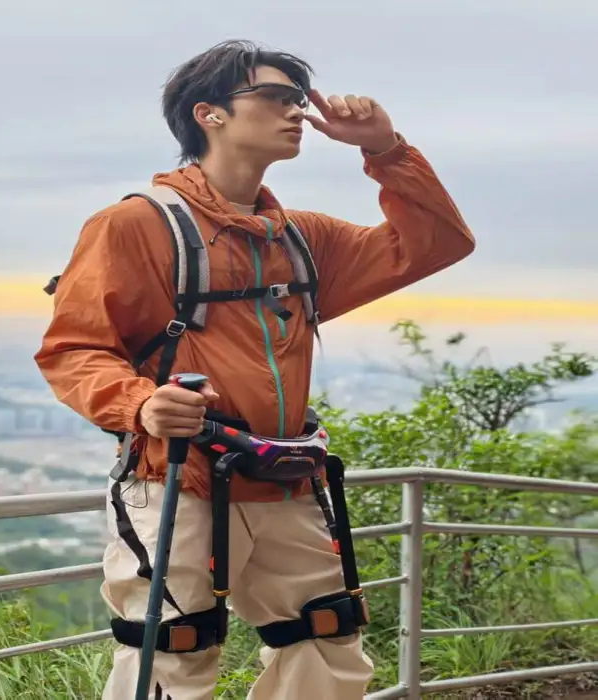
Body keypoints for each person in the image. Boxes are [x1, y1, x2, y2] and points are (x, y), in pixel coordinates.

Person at [34, 39, 475, 700]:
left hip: (282, 479)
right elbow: (73, 348)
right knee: (171, 656)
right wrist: (140, 403)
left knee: (326, 639)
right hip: (179, 479)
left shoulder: (300, 239)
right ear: (208, 113)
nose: (296, 111)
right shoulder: (134, 226)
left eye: (298, 98)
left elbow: (435, 243)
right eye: (274, 96)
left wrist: (385, 151)